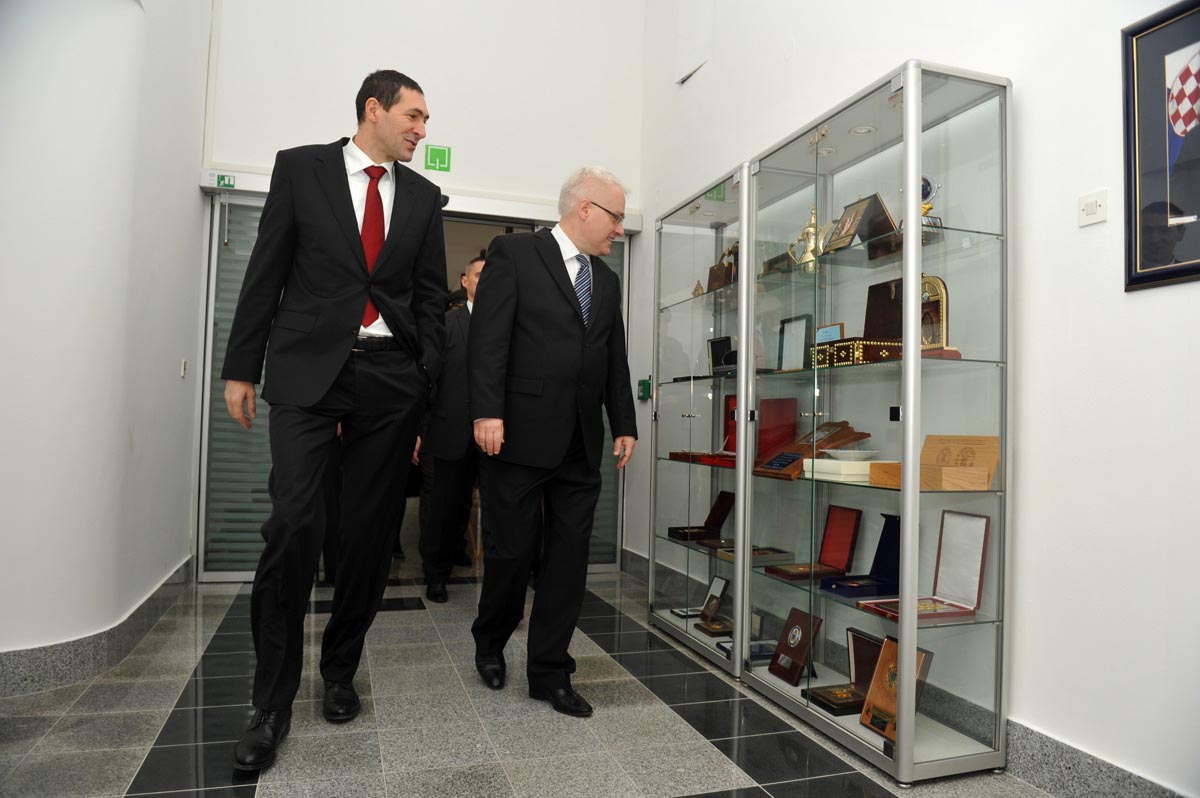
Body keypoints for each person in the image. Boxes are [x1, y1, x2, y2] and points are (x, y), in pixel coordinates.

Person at [221, 70, 446, 771]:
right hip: (307, 373)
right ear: (374, 109)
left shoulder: (422, 196)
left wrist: (424, 378)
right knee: (294, 524)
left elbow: (429, 296)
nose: (422, 130)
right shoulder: (301, 169)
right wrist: (241, 366)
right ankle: (270, 702)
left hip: (389, 378)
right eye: (414, 116)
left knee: (369, 537)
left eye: (426, 120)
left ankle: (340, 669)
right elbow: (266, 271)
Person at [468, 167, 637, 717]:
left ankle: (549, 671)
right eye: (616, 217)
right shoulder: (516, 254)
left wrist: (625, 422)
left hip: (581, 441)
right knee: (512, 553)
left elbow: (613, 357)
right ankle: (490, 641)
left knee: (568, 560)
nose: (620, 229)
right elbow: (488, 338)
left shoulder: (606, 280)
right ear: (585, 208)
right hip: (517, 435)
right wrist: (487, 411)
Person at [418, 256, 486, 602]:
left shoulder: (508, 324)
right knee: (443, 507)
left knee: (469, 509)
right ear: (465, 280)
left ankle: (459, 552)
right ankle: (435, 574)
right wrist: (420, 429)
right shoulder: (445, 324)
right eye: (479, 275)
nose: (486, 281)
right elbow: (427, 382)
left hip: (494, 438)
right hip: (449, 431)